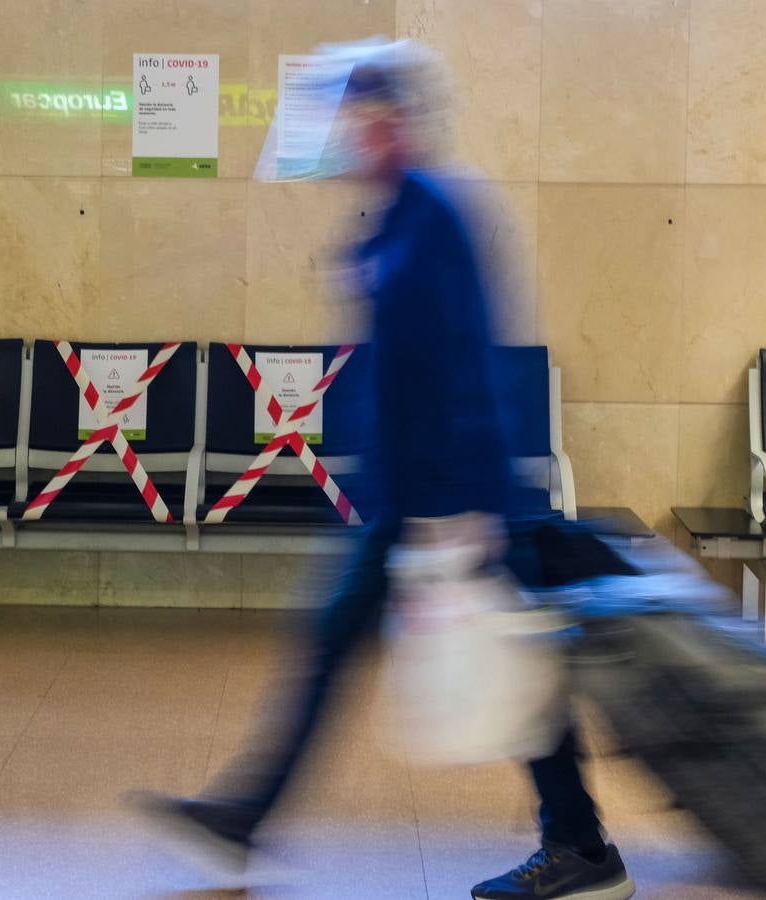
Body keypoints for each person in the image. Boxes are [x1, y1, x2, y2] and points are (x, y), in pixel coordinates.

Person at [134, 41, 634, 900]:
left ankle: (583, 851)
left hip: (455, 502)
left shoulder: (437, 211)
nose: (342, 137)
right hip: (411, 499)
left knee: (516, 675)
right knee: (352, 649)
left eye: (356, 118)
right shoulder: (401, 214)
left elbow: (467, 368)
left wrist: (470, 513)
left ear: (390, 121)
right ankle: (243, 818)